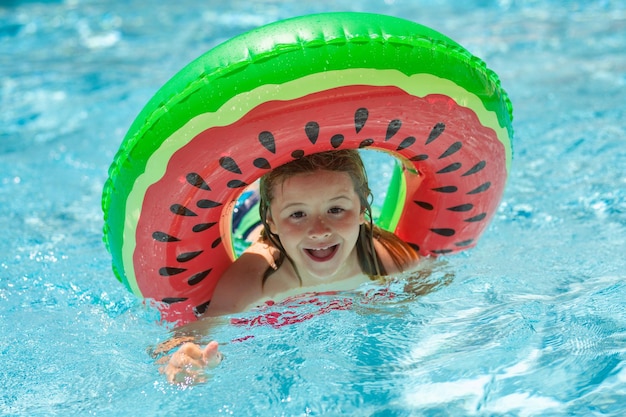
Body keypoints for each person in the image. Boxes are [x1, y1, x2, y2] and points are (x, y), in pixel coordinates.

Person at [158, 149, 420, 384]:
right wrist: (189, 357)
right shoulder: (253, 280)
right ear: (272, 221)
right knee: (253, 208)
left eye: (336, 209)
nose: (319, 231)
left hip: (280, 222)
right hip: (248, 220)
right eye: (298, 214)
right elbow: (190, 336)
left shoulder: (388, 261)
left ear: (362, 210)